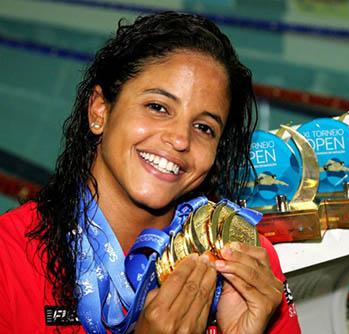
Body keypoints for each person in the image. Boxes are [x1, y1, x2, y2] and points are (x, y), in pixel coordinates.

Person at [0, 11, 300, 333]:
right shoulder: (8, 258)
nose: (181, 139)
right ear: (100, 110)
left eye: (204, 127)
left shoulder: (243, 261)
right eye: (158, 107)